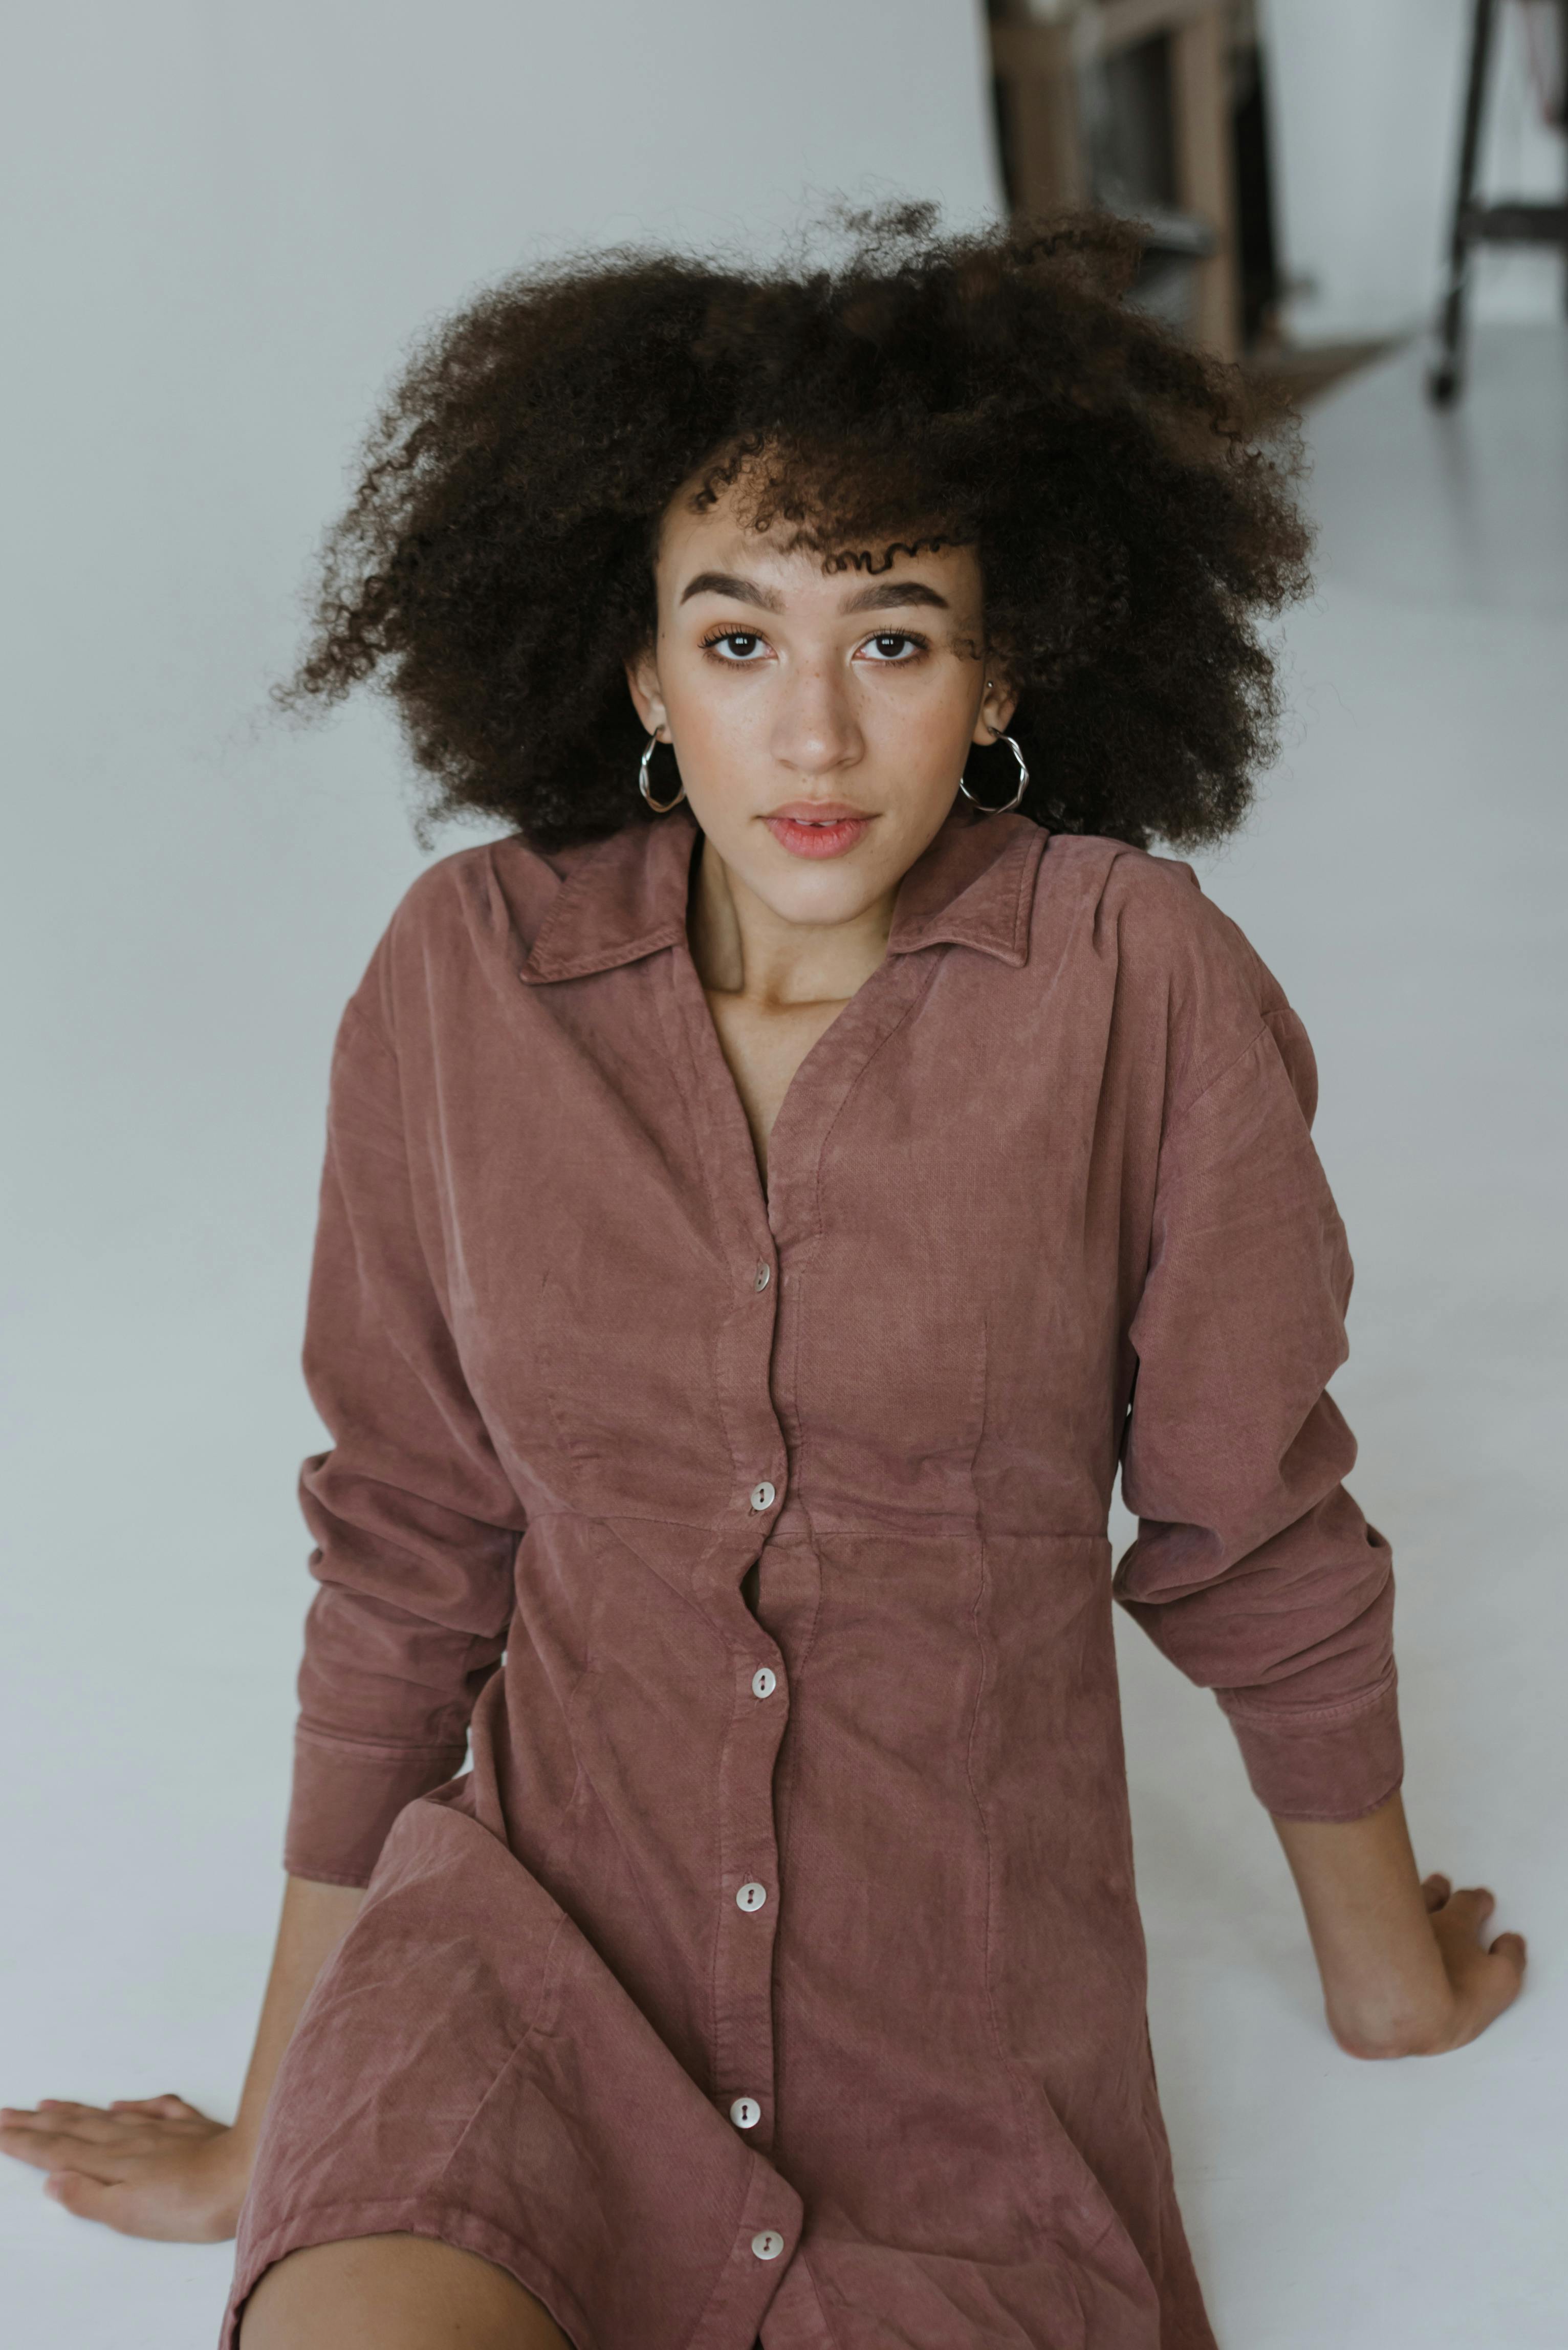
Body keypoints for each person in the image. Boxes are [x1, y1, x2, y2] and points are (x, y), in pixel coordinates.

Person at [0, 208, 1527, 2350]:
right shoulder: (466, 975)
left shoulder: (1131, 979)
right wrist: (280, 2126)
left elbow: (1247, 1518)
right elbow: (413, 1547)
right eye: (737, 642)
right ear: (643, 669)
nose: (812, 734)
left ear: (1000, 677)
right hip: (519, 1988)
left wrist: (1383, 1977)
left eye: (893, 640)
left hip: (958, 2055)